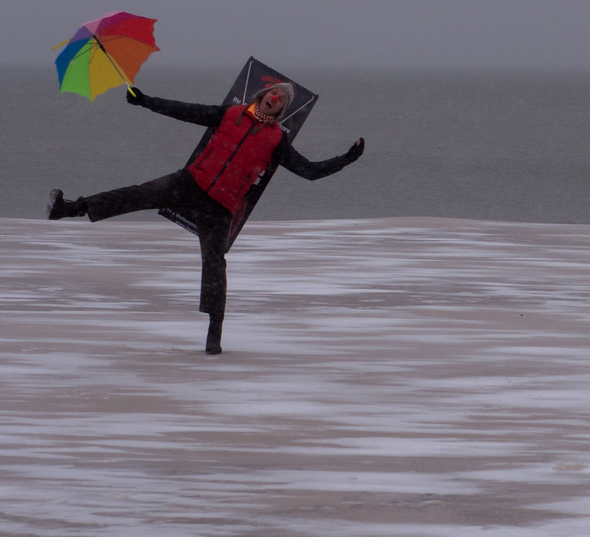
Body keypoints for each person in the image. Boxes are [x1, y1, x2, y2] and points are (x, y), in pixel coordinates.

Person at [48, 82, 364, 354]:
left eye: (281, 99)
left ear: (282, 110)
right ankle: (69, 209)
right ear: (262, 94)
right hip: (192, 181)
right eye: (273, 93)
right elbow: (185, 111)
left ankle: (214, 337)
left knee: (214, 264)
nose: (275, 98)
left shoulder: (275, 140)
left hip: (222, 205)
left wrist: (347, 159)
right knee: (138, 194)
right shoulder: (229, 114)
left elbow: (309, 171)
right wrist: (146, 101)